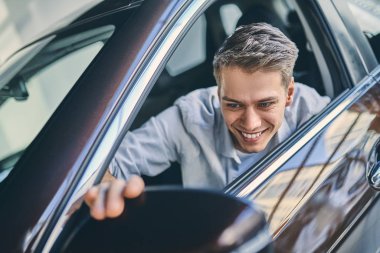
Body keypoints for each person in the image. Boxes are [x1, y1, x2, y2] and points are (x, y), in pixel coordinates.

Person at [84, 22, 331, 220]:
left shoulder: (311, 110)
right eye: (233, 104)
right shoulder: (190, 117)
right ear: (218, 93)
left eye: (265, 104)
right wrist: (106, 186)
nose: (251, 123)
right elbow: (102, 164)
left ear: (288, 94)